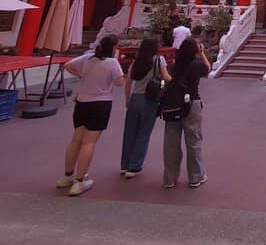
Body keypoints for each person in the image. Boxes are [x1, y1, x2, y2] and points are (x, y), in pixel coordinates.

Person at [58, 34, 124, 196]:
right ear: (114, 48)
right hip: (100, 104)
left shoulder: (87, 59)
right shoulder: (112, 63)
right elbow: (119, 82)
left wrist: (80, 75)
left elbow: (67, 65)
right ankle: (79, 180)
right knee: (89, 143)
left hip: (81, 103)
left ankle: (67, 176)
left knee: (76, 140)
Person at [162, 37, 211, 189]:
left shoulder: (175, 65)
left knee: (171, 143)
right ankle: (195, 177)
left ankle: (169, 179)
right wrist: (202, 53)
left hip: (173, 104)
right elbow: (208, 68)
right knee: (193, 142)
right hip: (191, 104)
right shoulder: (196, 65)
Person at [120, 37, 170, 178]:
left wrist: (127, 99)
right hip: (150, 99)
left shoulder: (136, 62)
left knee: (129, 133)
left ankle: (124, 165)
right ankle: (134, 166)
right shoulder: (159, 60)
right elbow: (166, 77)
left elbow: (128, 82)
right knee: (143, 133)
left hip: (135, 97)